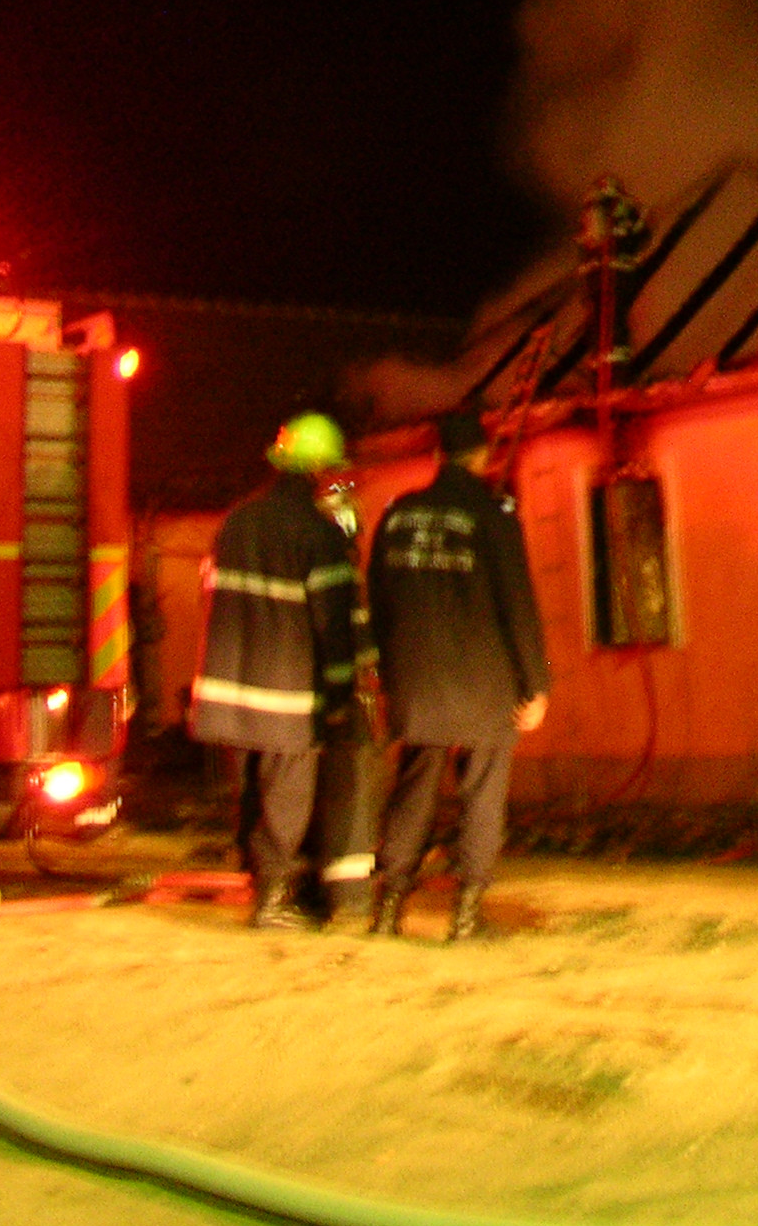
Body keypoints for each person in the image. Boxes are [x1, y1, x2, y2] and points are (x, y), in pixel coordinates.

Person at [365, 403, 549, 941]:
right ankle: (466, 916)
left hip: (416, 682)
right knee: (482, 793)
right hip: (485, 684)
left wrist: (386, 672)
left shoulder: (398, 515)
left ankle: (388, 910)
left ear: (440, 453)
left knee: (413, 789)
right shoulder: (493, 516)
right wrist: (536, 684)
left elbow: (377, 598)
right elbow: (517, 603)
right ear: (481, 455)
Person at [192, 411, 370, 929]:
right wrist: (340, 695)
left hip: (228, 692)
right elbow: (333, 624)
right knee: (287, 796)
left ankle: (258, 882)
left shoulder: (237, 522)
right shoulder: (317, 534)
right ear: (316, 471)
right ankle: (273, 900)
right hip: (285, 696)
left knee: (250, 792)